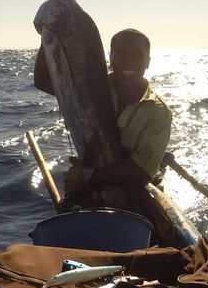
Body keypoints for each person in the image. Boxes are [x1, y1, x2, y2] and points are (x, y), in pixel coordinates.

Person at [33, 28, 172, 214]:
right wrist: (48, 34)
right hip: (88, 188)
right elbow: (43, 81)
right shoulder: (87, 87)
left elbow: (140, 173)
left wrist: (88, 176)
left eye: (137, 55)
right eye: (120, 53)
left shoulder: (158, 111)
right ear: (111, 57)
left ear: (148, 61)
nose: (128, 60)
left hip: (134, 190)